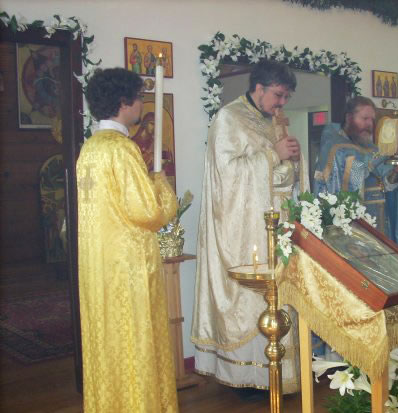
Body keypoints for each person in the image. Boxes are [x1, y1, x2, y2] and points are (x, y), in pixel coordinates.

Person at [191, 60, 306, 394]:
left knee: (280, 296)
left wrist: (293, 159)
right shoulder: (229, 118)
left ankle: (281, 376)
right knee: (250, 301)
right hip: (244, 232)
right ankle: (250, 379)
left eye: (286, 97)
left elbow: (282, 176)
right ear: (259, 87)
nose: (282, 103)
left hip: (276, 227)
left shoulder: (273, 120)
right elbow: (226, 175)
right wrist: (273, 154)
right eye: (279, 95)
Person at [76, 68, 178, 412]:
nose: (141, 105)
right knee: (135, 340)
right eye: (138, 98)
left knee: (108, 341)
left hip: (98, 265)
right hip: (128, 268)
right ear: (124, 102)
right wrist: (161, 184)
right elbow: (148, 211)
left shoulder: (90, 148)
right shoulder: (121, 149)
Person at [313, 96, 398, 249]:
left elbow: (385, 182)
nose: (369, 124)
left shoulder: (370, 148)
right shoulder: (335, 147)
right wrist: (384, 153)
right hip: (350, 228)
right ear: (349, 118)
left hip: (378, 224)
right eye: (364, 119)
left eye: (372, 120)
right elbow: (355, 175)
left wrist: (396, 171)